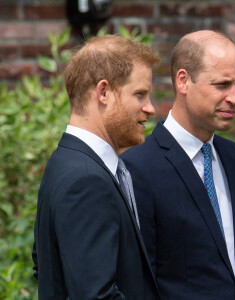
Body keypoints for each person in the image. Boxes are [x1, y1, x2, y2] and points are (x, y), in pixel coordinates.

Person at [121, 30, 235, 299]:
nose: (234, 98)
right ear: (183, 81)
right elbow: (139, 285)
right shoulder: (137, 169)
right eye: (222, 85)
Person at [32, 34, 161, 299]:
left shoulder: (65, 162)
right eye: (140, 94)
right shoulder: (86, 181)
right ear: (103, 92)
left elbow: (47, 266)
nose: (150, 108)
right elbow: (96, 295)